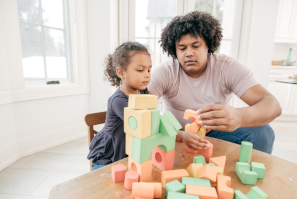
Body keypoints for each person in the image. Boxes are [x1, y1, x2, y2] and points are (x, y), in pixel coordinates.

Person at [147, 11, 282, 154]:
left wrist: (239, 116)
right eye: (182, 48)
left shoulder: (227, 67)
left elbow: (273, 105)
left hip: (215, 135)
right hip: (177, 136)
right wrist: (176, 135)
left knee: (263, 133)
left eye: (196, 46)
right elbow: (138, 107)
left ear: (208, 46)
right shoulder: (165, 71)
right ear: (175, 51)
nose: (189, 53)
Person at [87, 42, 152, 170]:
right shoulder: (118, 100)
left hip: (129, 147)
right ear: (121, 72)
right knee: (107, 184)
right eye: (140, 70)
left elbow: (152, 114)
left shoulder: (144, 91)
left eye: (149, 69)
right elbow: (142, 124)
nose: (147, 74)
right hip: (109, 153)